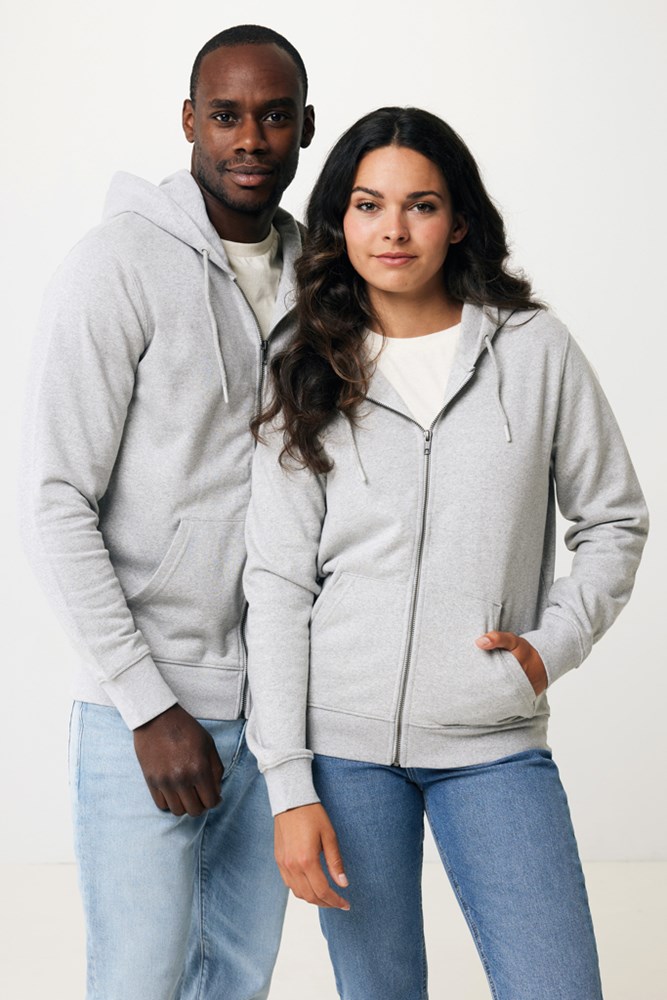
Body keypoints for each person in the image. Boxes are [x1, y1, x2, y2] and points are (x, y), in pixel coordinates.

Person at [243, 106, 648, 999]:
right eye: (368, 205)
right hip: (342, 750)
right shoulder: (306, 362)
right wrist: (289, 786)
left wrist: (550, 645)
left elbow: (613, 518)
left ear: (457, 219)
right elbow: (275, 584)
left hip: (489, 736)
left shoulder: (533, 351)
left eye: (419, 205)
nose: (392, 230)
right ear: (339, 219)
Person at [21, 24, 314, 1000]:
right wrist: (148, 705)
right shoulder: (116, 266)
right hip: (141, 712)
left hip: (276, 710)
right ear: (189, 121)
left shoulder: (325, 281)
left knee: (237, 976)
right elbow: (56, 501)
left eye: (274, 116)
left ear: (306, 127)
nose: (250, 139)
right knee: (138, 981)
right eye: (226, 115)